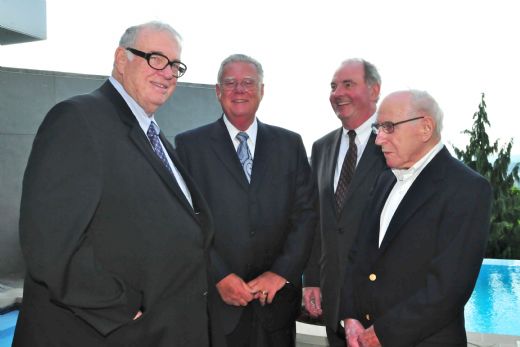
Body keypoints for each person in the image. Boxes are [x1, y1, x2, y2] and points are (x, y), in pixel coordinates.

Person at [13, 21, 213, 346]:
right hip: (110, 331)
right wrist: (123, 306)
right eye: (156, 59)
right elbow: (49, 243)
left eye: (176, 65)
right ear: (122, 59)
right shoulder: (77, 119)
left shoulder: (152, 133)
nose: (168, 73)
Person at [175, 54, 317, 347]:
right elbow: (187, 220)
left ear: (262, 90)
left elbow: (305, 216)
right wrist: (219, 275)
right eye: (230, 83)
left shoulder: (289, 144)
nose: (239, 89)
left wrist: (280, 273)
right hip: (216, 305)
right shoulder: (189, 146)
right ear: (218, 91)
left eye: (248, 82)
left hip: (275, 306)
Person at [339, 90, 492, 347]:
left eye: (388, 127)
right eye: (378, 128)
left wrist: (384, 333)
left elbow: (449, 288)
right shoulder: (385, 179)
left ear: (425, 128)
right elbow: (359, 256)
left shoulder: (466, 188)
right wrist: (351, 316)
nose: (379, 140)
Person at [302, 59, 387, 346]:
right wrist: (311, 278)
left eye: (348, 84)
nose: (337, 93)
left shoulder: (396, 143)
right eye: (333, 86)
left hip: (380, 301)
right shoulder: (321, 147)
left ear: (374, 90)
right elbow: (316, 218)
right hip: (333, 297)